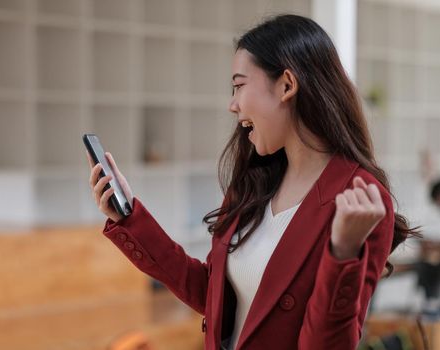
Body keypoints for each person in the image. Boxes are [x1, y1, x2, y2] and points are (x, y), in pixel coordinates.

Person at [86, 15, 419, 350]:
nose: (232, 105)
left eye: (239, 86)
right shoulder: (257, 183)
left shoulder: (360, 197)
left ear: (287, 85)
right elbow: (212, 295)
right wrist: (130, 220)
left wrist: (343, 252)